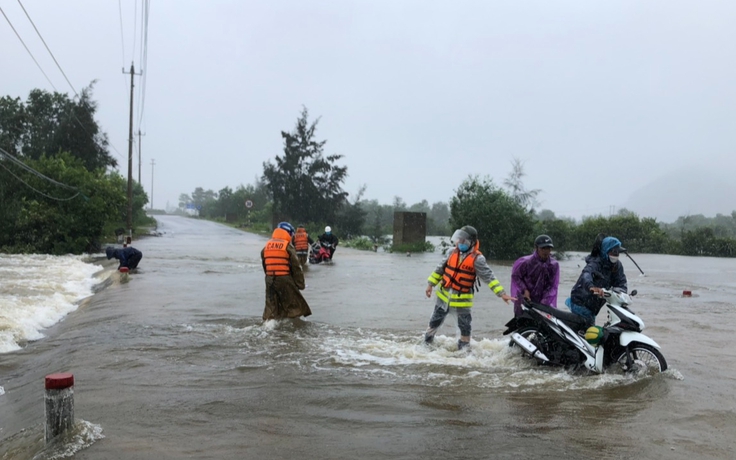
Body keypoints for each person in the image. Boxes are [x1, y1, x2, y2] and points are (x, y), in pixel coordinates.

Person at [424, 225, 516, 350]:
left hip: (462, 301)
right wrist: (430, 285)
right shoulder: (451, 252)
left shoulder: (478, 259)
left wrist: (502, 294)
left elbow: (489, 277)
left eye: (464, 241)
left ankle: (464, 351)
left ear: (472, 242)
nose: (460, 243)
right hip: (443, 297)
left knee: (465, 327)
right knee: (435, 321)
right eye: (459, 240)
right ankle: (426, 344)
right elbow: (439, 270)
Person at [567, 235, 628, 327]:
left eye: (617, 253)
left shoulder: (617, 266)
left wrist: (622, 294)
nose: (616, 255)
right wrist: (591, 286)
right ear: (605, 251)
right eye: (613, 252)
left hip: (595, 306)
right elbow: (586, 274)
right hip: (581, 302)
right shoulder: (595, 263)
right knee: (587, 331)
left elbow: (621, 282)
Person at [261, 222, 312, 321]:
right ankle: (291, 329)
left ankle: (269, 327)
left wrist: (270, 276)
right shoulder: (287, 246)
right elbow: (296, 267)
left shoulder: (267, 245)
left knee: (271, 308)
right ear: (288, 233)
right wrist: (300, 284)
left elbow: (265, 264)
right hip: (284, 279)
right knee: (294, 306)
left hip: (269, 279)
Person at [510, 234, 560, 317]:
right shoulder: (525, 262)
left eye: (548, 248)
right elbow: (516, 276)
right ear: (536, 248)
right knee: (522, 324)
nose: (546, 251)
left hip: (542, 301)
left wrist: (544, 302)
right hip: (525, 299)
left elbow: (552, 286)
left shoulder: (553, 265)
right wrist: (524, 290)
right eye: (543, 248)